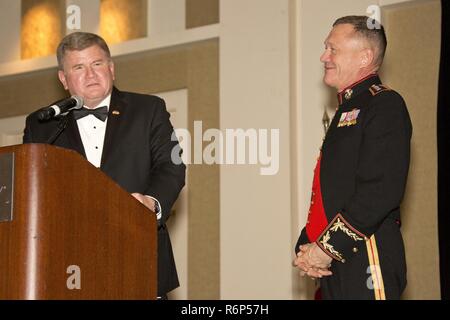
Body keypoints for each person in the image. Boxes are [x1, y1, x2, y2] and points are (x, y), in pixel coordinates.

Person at [23, 32, 186, 299]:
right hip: (66, 269)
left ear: (111, 68)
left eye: (97, 64)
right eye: (78, 67)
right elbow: (30, 189)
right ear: (63, 79)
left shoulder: (148, 109)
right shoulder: (41, 124)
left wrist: (151, 204)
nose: (90, 75)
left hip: (138, 260)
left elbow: (171, 166)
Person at [293, 16, 412, 300]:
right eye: (325, 48)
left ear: (365, 57)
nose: (324, 56)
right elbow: (335, 190)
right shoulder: (348, 108)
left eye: (333, 49)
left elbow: (380, 190)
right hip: (338, 260)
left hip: (367, 254)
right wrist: (308, 246)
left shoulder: (384, 104)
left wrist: (325, 248)